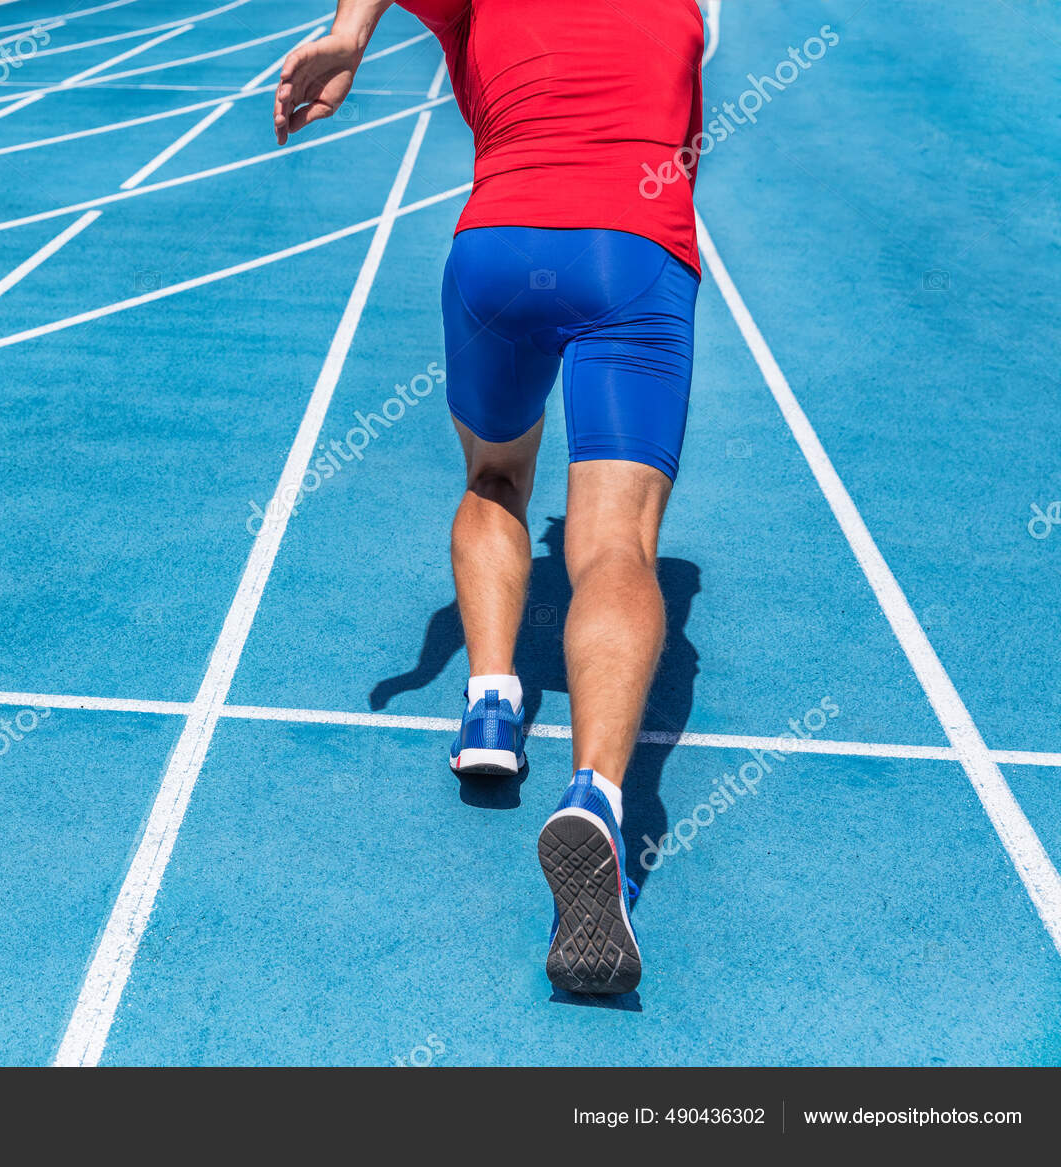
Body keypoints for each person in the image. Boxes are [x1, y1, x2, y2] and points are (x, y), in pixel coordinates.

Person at [275, 0, 704, 994]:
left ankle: (487, 701)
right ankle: (596, 797)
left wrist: (349, 35)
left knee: (495, 478)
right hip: (633, 252)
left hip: (498, 248)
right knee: (617, 547)